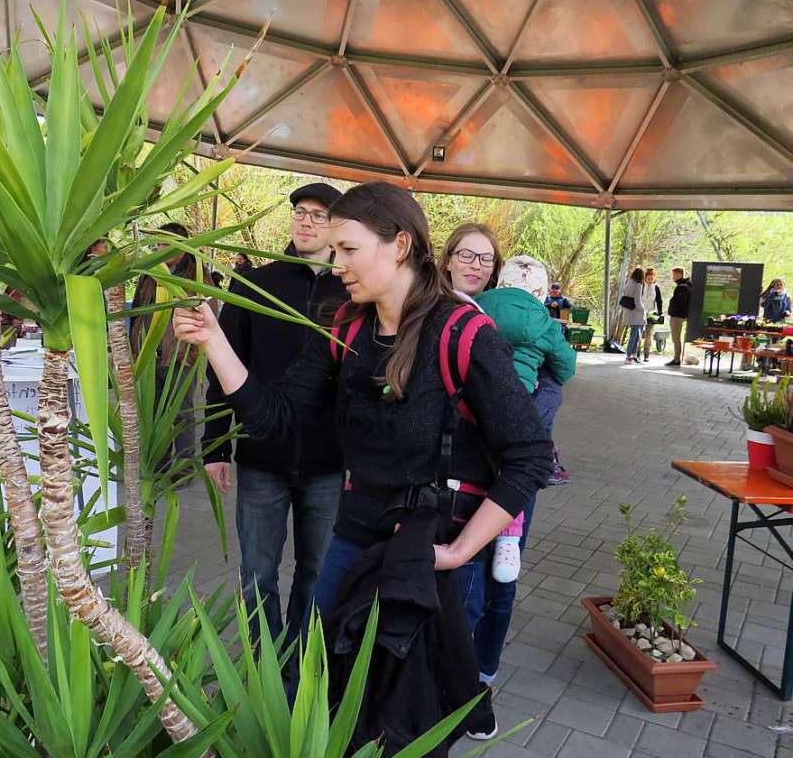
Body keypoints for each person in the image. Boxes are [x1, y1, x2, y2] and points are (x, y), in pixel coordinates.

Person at [177, 182, 552, 748]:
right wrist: (213, 342)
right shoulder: (344, 325)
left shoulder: (462, 333)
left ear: (400, 244)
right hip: (352, 533)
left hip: (425, 548)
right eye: (335, 249)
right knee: (320, 678)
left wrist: (460, 551)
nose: (338, 263)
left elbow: (529, 455)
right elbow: (280, 419)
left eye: (349, 249)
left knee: (405, 708)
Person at [202, 183, 347, 648]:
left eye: (319, 215)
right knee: (257, 575)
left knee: (318, 572)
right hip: (262, 458)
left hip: (329, 463)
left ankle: (301, 663)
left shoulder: (354, 293)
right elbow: (222, 369)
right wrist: (215, 445)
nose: (306, 221)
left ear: (337, 227)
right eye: (300, 212)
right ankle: (263, 665)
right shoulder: (255, 285)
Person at [440, 234, 574, 734]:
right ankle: (440, 675)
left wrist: (522, 436)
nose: (474, 265)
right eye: (465, 255)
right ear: (446, 260)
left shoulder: (491, 315)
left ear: (496, 270)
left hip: (510, 469)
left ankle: (478, 681)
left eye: (485, 258)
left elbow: (557, 384)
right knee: (456, 575)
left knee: (498, 583)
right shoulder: (429, 309)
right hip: (450, 468)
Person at [129, 222, 215, 468]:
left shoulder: (198, 276)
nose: (160, 249)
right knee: (153, 410)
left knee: (181, 412)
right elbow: (136, 311)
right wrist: (131, 347)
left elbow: (209, 316)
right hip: (148, 355)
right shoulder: (149, 273)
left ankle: (184, 465)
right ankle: (160, 462)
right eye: (157, 244)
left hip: (180, 354)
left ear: (183, 247)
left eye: (166, 244)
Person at [666, 267, 692, 367]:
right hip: (679, 315)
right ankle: (676, 358)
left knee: (676, 338)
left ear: (679, 274)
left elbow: (680, 302)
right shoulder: (685, 285)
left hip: (677, 316)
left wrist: (674, 309)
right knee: (676, 338)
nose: (673, 277)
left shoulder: (682, 287)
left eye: (674, 274)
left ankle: (676, 359)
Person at [621, 268, 646, 363]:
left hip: (628, 311)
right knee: (635, 336)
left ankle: (631, 356)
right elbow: (637, 301)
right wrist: (643, 309)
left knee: (634, 334)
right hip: (636, 314)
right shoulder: (638, 285)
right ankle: (629, 356)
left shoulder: (629, 282)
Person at [640, 267, 663, 362]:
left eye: (651, 278)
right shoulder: (641, 286)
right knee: (640, 334)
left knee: (649, 335)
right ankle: (636, 353)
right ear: (645, 278)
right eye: (648, 278)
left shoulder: (656, 287)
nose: (650, 280)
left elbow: (659, 301)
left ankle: (646, 355)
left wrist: (660, 312)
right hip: (640, 313)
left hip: (651, 313)